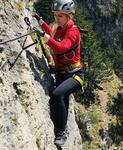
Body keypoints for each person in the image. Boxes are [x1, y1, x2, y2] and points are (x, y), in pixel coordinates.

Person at [33, 0, 84, 146]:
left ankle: (60, 134)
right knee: (62, 100)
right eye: (55, 15)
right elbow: (52, 32)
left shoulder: (73, 32)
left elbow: (61, 47)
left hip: (75, 76)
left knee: (57, 95)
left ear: (69, 16)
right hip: (62, 74)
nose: (57, 18)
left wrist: (44, 36)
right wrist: (40, 21)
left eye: (60, 15)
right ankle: (62, 130)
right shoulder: (59, 27)